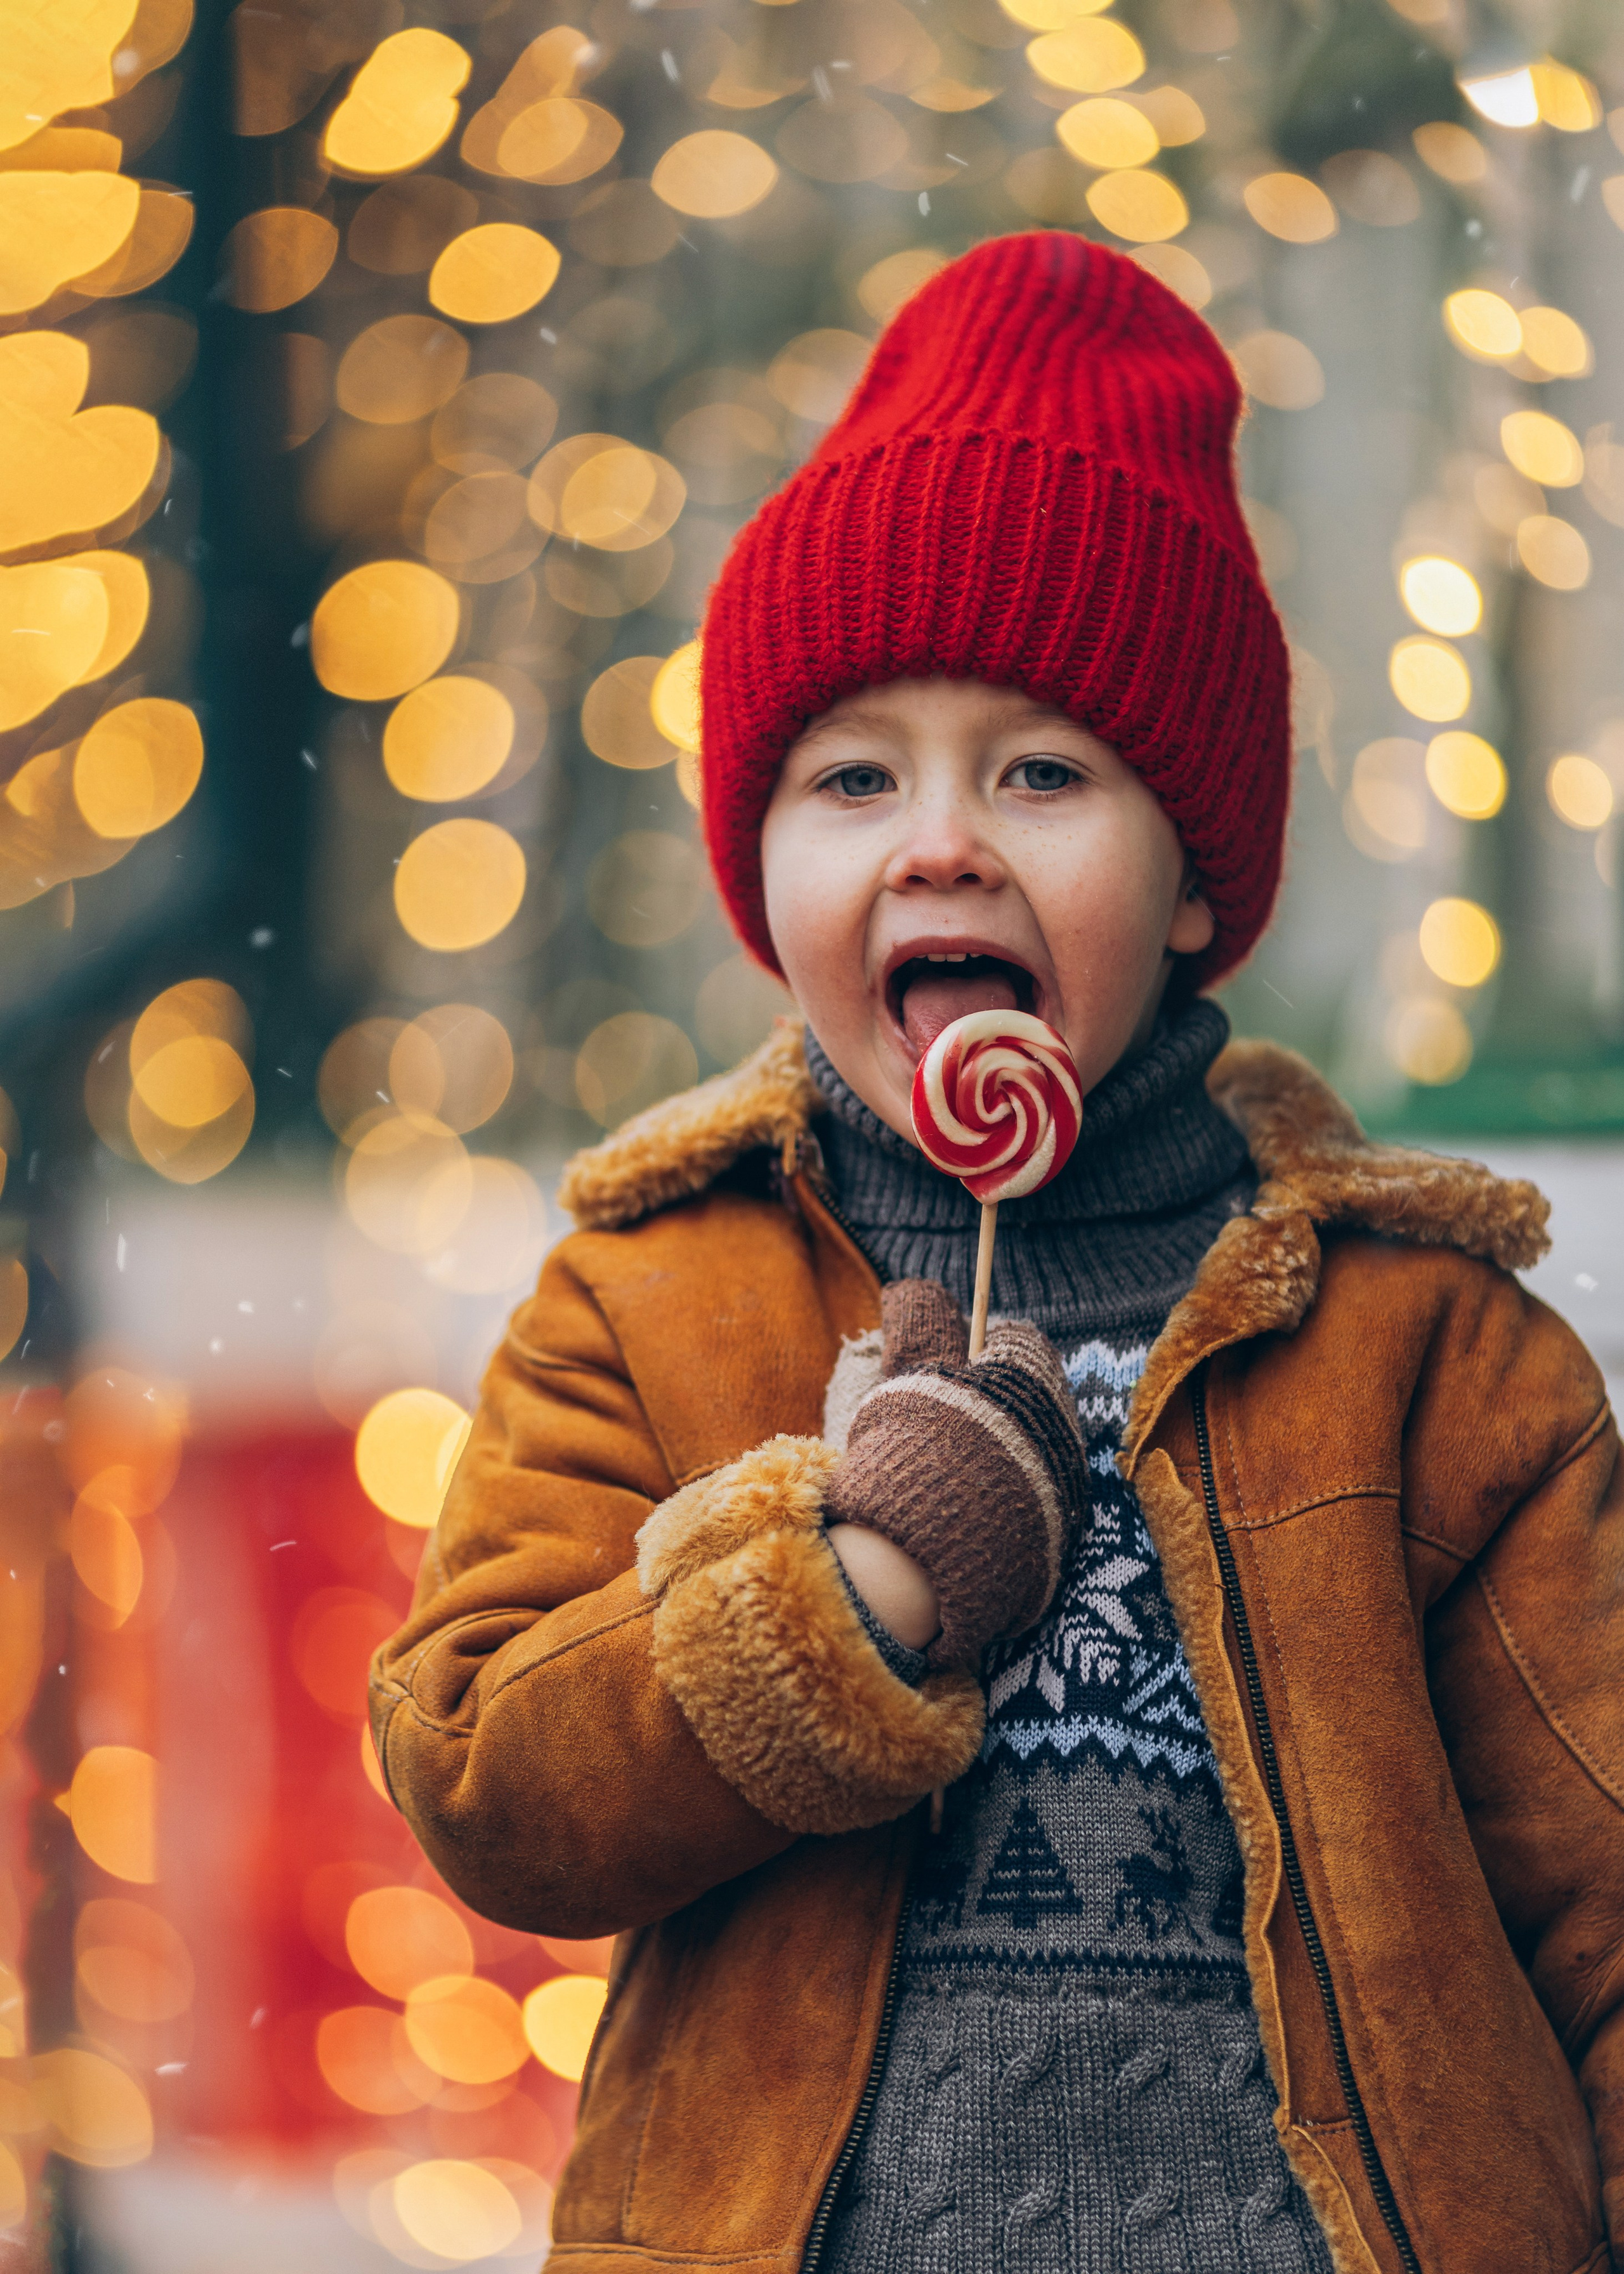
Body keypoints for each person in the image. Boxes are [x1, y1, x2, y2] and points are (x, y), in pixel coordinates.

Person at [369, 234, 1623, 2273]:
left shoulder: (1433, 1352)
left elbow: (1602, 1901)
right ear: (762, 867)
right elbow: (490, 1775)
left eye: (1042, 772)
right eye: (853, 776)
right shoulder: (652, 1297)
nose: (940, 842)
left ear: (1198, 878)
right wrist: (846, 1587)